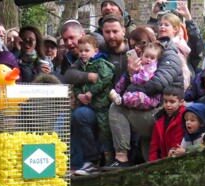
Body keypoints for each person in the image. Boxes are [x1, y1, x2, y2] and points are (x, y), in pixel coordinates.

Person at [107, 24, 184, 167]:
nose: (135, 50)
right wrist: (130, 73)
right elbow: (120, 87)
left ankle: (121, 158)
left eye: (137, 45)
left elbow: (156, 85)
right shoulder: (140, 61)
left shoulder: (168, 56)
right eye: (132, 46)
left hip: (162, 111)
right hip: (147, 109)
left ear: (147, 42)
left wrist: (131, 83)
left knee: (116, 108)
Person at [68, 34, 114, 175]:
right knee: (74, 118)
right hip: (87, 105)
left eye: (87, 50)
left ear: (95, 50)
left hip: (101, 105)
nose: (83, 54)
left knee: (104, 132)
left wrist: (91, 93)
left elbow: (105, 79)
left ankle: (101, 161)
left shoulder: (101, 64)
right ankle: (79, 162)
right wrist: (79, 94)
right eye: (81, 51)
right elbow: (76, 83)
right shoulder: (80, 66)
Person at [110, 41, 163, 109]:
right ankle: (117, 92)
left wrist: (133, 77)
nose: (148, 59)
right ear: (141, 55)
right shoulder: (141, 65)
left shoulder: (152, 67)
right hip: (139, 90)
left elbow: (144, 78)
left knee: (137, 96)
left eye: (152, 58)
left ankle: (121, 101)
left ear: (156, 60)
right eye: (146, 56)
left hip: (150, 97)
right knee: (125, 79)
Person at [148, 86, 185, 161]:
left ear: (181, 102)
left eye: (172, 102)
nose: (168, 104)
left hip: (179, 157)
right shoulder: (159, 119)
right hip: (164, 158)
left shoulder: (185, 116)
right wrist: (152, 163)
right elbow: (154, 146)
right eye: (165, 101)